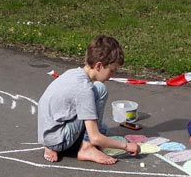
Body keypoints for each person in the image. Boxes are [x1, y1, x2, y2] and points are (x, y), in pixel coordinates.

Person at [37, 35, 140, 164]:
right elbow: (96, 138)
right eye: (112, 70)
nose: (112, 75)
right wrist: (127, 146)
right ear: (99, 66)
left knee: (102, 123)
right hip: (59, 140)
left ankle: (53, 146)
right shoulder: (84, 89)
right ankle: (87, 148)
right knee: (100, 91)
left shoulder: (73, 73)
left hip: (48, 133)